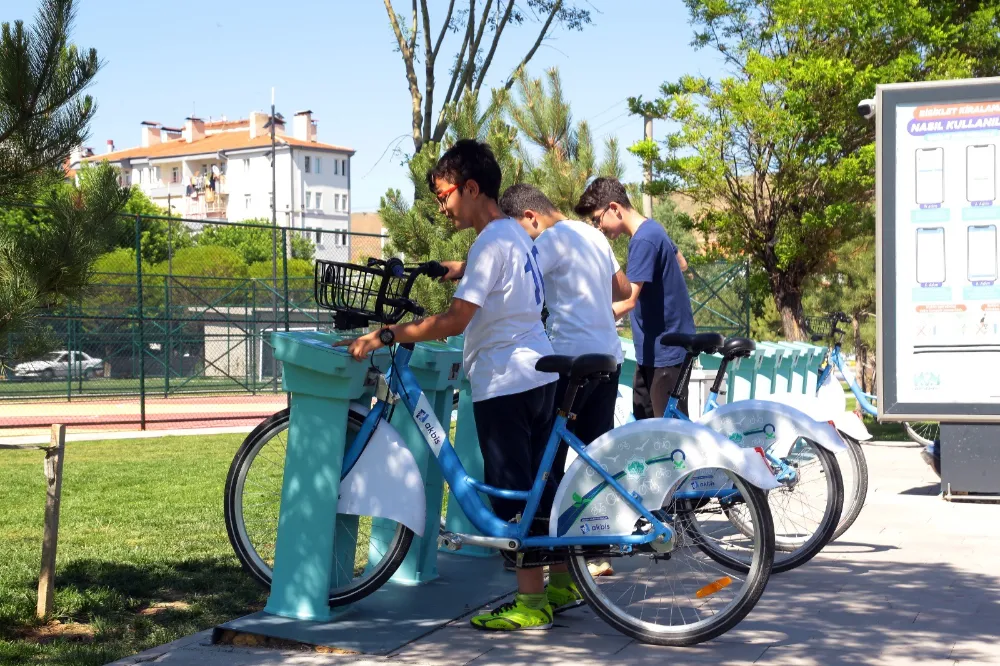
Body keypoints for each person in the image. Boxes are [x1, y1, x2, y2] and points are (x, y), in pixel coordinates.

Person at [338, 139, 568, 631]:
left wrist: (390, 333)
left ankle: (531, 605)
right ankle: (564, 585)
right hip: (539, 371)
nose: (441, 206)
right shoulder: (514, 235)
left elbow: (456, 321)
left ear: (470, 187)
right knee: (539, 490)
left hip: (506, 379)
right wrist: (450, 271)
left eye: (444, 195)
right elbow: (491, 285)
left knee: (512, 495)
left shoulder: (490, 241)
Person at [574, 177, 696, 418]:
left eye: (598, 219)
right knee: (646, 431)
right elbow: (681, 263)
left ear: (614, 209)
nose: (599, 228)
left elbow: (628, 300)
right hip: (656, 350)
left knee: (669, 439)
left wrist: (590, 319)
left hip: (665, 353)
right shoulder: (653, 229)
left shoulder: (642, 240)